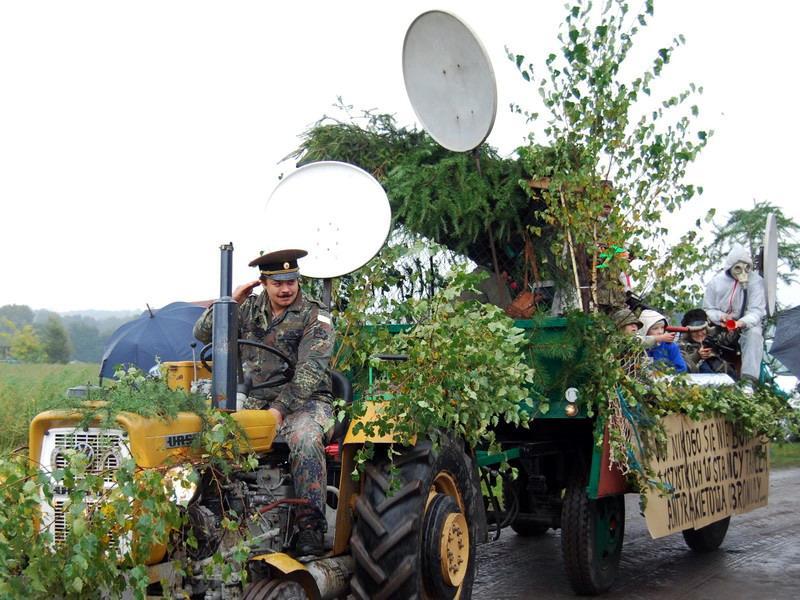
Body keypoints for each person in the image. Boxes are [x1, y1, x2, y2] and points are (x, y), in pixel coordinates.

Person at [193, 248, 334, 556]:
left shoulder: (315, 314)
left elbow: (310, 372)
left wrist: (278, 412)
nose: (286, 289)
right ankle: (214, 519)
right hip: (256, 400)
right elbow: (202, 333)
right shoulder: (248, 309)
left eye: (291, 281)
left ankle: (310, 526)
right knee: (212, 433)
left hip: (306, 402)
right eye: (277, 282)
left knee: (305, 438)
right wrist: (230, 303)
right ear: (264, 283)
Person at [703, 244, 766, 383]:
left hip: (745, 326)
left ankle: (748, 381)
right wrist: (721, 317)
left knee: (754, 334)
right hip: (720, 326)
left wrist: (741, 322)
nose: (742, 272)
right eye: (738, 268)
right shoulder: (716, 282)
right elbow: (708, 308)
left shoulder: (756, 282)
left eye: (746, 268)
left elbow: (756, 310)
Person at [677, 308, 737, 376]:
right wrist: (698, 356)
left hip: (723, 376)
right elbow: (682, 366)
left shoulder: (712, 338)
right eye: (695, 331)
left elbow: (729, 338)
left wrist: (731, 326)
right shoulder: (681, 346)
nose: (699, 333)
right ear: (689, 333)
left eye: (702, 329)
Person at [638, 309, 688, 373]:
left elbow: (681, 368)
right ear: (645, 330)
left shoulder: (670, 346)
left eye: (662, 328)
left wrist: (665, 374)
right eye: (655, 328)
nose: (660, 332)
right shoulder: (637, 347)